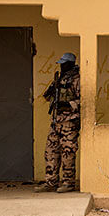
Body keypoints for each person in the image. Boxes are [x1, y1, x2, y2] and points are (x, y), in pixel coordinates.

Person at [35, 52, 80, 193]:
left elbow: (83, 100)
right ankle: (51, 181)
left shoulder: (77, 79)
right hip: (56, 121)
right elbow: (48, 97)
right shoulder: (59, 79)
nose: (62, 66)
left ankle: (68, 182)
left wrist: (68, 104)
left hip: (69, 122)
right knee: (51, 151)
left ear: (71, 64)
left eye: (64, 63)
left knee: (68, 152)